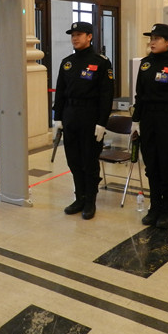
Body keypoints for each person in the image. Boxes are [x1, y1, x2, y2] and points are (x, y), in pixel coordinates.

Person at [53, 21, 114, 220]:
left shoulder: (101, 62)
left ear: (89, 36)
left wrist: (102, 122)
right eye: (73, 35)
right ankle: (79, 198)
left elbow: (106, 95)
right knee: (74, 160)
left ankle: (90, 201)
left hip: (90, 115)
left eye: (79, 34)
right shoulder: (67, 62)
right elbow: (60, 92)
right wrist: (57, 117)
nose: (75, 38)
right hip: (71, 115)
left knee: (89, 161)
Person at [131, 23, 168, 229]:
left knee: (166, 166)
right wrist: (136, 120)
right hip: (148, 118)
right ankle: (154, 206)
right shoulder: (145, 63)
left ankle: (166, 209)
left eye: (157, 39)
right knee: (151, 166)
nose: (152, 42)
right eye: (151, 38)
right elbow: (139, 95)